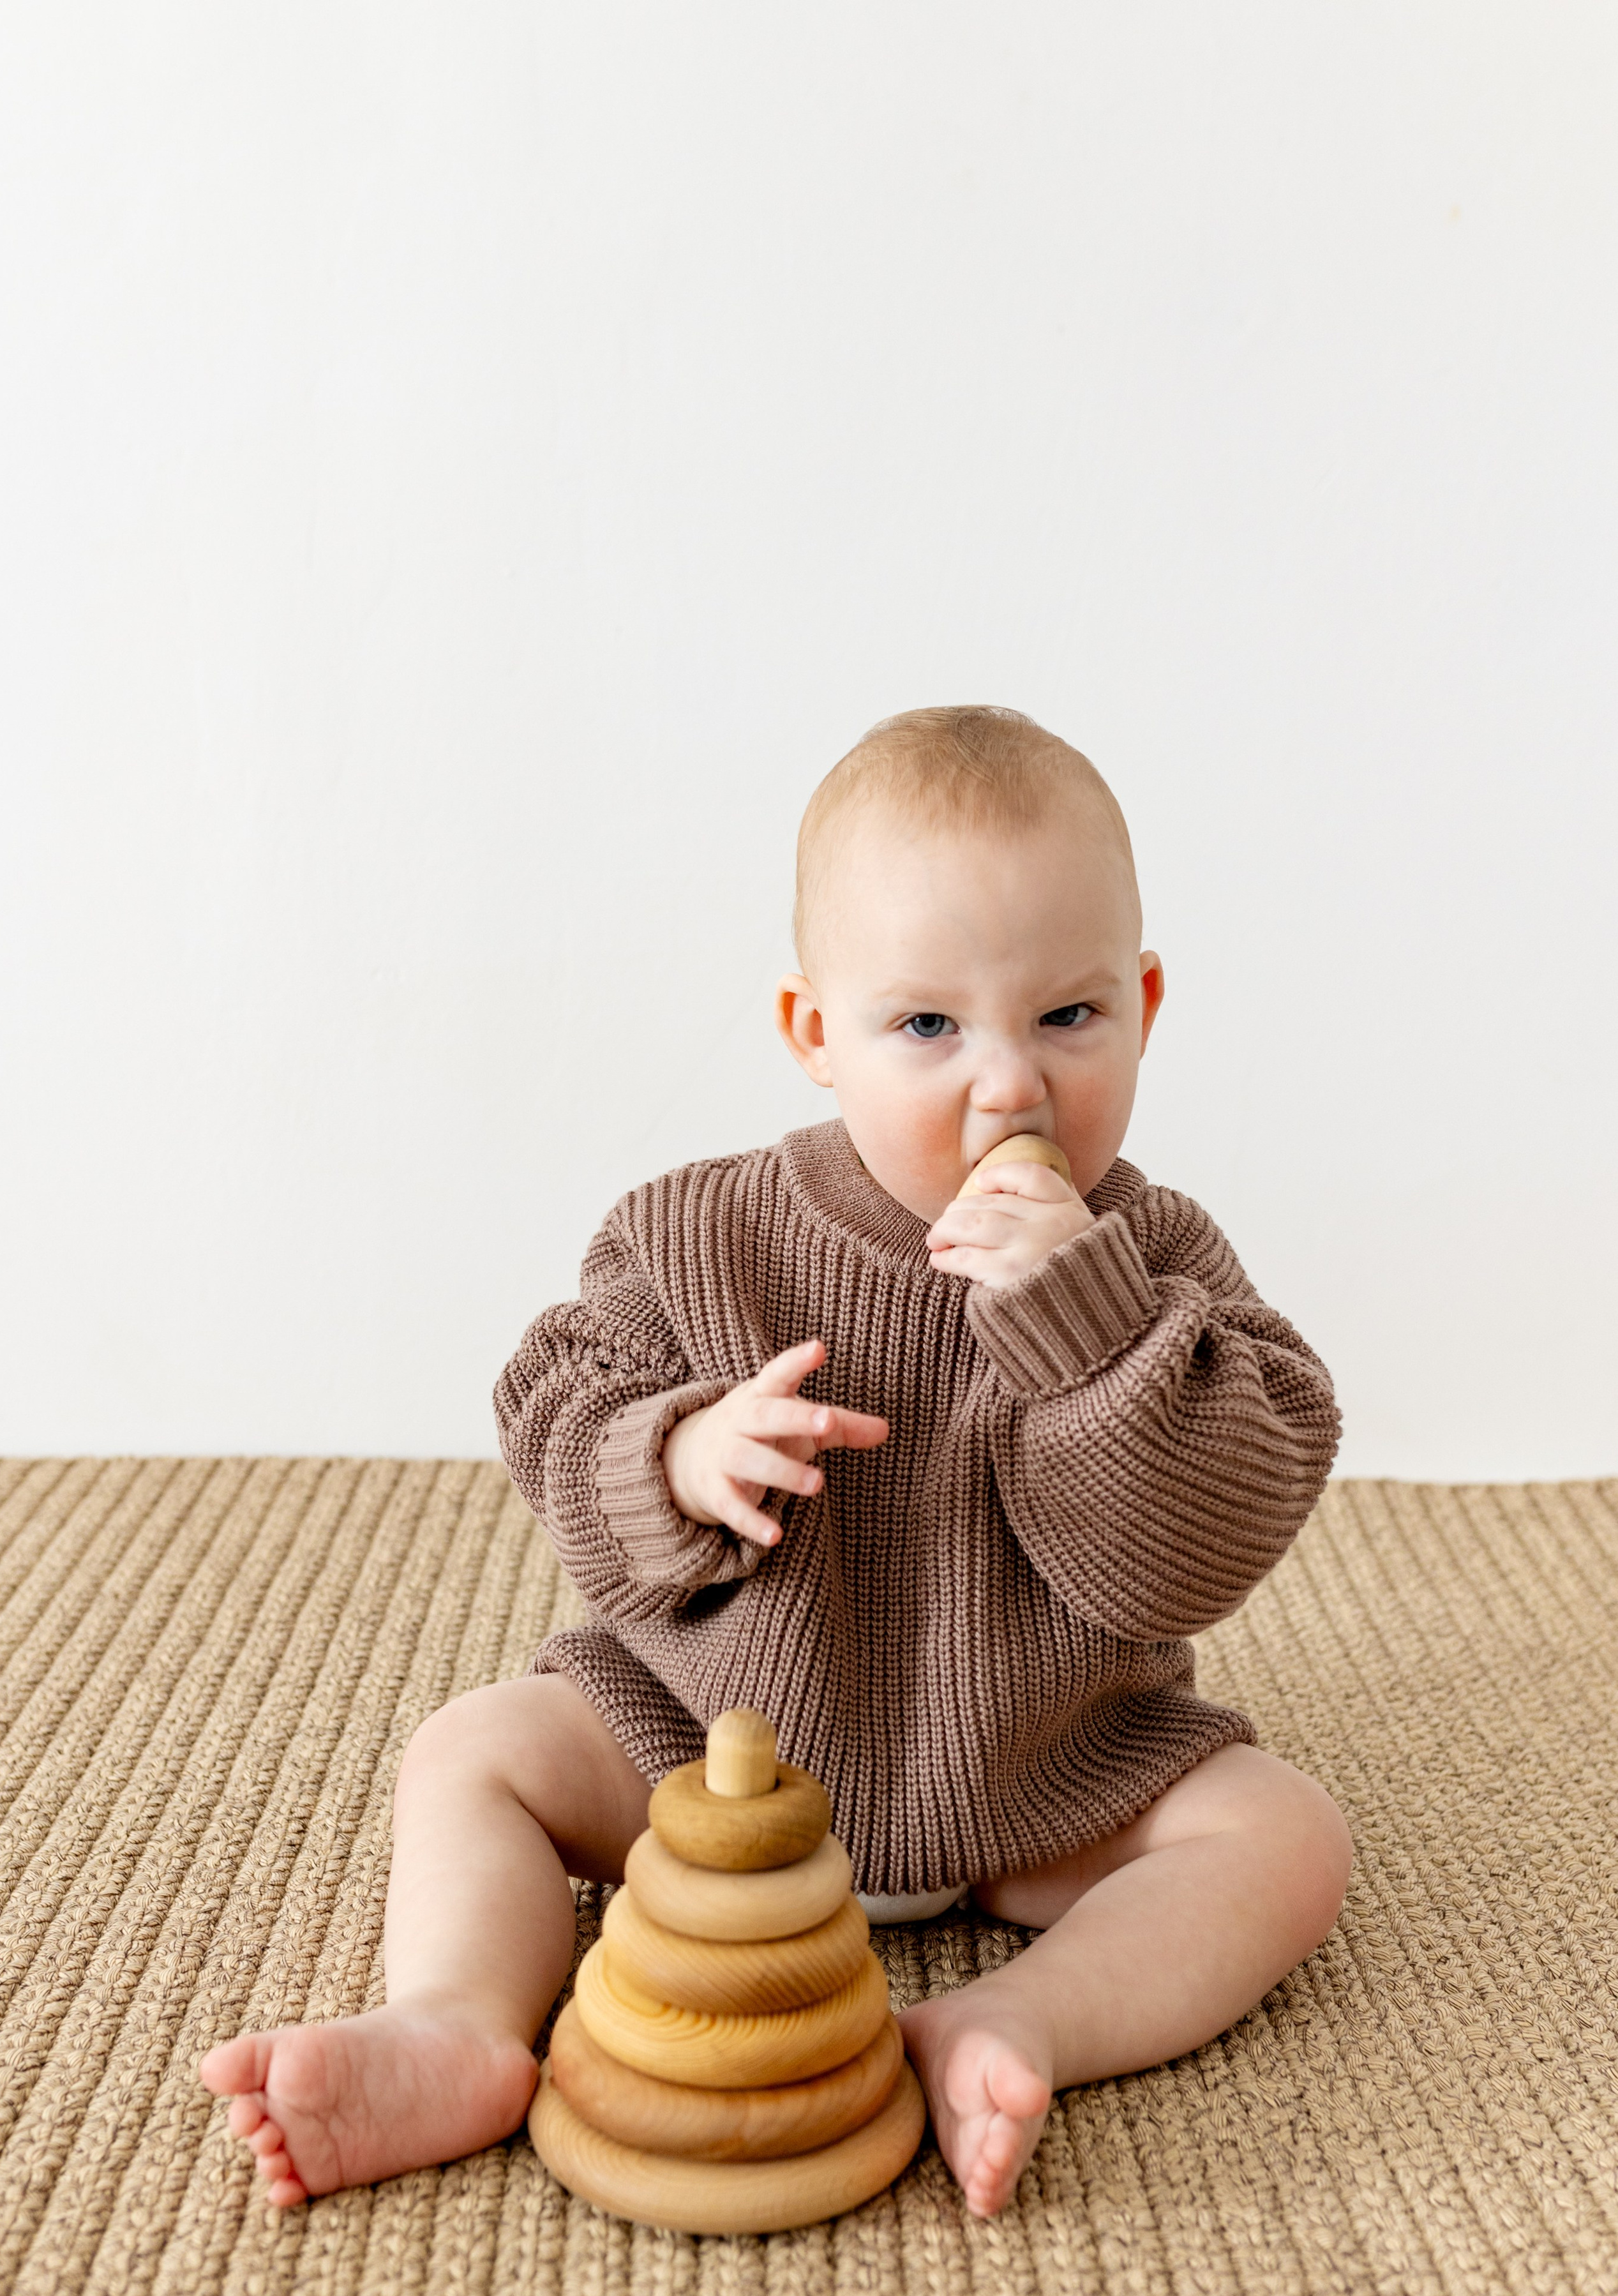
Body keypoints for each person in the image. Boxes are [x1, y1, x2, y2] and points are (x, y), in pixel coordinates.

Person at [201, 705, 1351, 2219]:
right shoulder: (699, 1233)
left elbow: (1203, 1539)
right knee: (471, 1753)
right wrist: (674, 1458)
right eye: (926, 1027)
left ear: (1141, 1004)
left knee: (1283, 1839)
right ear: (816, 1033)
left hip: (1045, 1770)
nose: (1005, 1087)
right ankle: (457, 2025)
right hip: (703, 1755)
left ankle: (1014, 2022)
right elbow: (551, 1401)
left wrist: (1090, 1333)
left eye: (1066, 1017)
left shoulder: (1159, 1263)